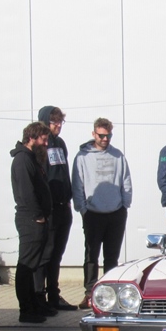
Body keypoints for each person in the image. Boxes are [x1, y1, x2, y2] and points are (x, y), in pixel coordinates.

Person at [72, 118, 133, 308]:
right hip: (93, 213)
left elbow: (126, 181)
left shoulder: (117, 156)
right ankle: (90, 294)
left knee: (111, 257)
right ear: (94, 134)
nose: (105, 139)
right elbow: (77, 185)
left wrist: (124, 205)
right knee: (91, 256)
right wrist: (83, 209)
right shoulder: (82, 157)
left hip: (116, 212)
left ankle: (109, 294)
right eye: (101, 135)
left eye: (108, 135)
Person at [10, 122, 54, 323]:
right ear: (32, 138)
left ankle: (34, 305)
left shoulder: (31, 158)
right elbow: (27, 192)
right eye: (43, 140)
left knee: (34, 264)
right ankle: (26, 309)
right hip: (30, 220)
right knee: (26, 265)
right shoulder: (22, 160)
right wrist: (38, 215)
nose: (46, 144)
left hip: (37, 219)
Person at [37, 106, 76, 310]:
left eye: (60, 122)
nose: (58, 126)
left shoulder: (60, 144)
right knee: (47, 253)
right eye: (54, 122)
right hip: (49, 208)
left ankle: (54, 295)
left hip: (63, 206)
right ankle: (39, 297)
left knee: (57, 254)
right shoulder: (41, 145)